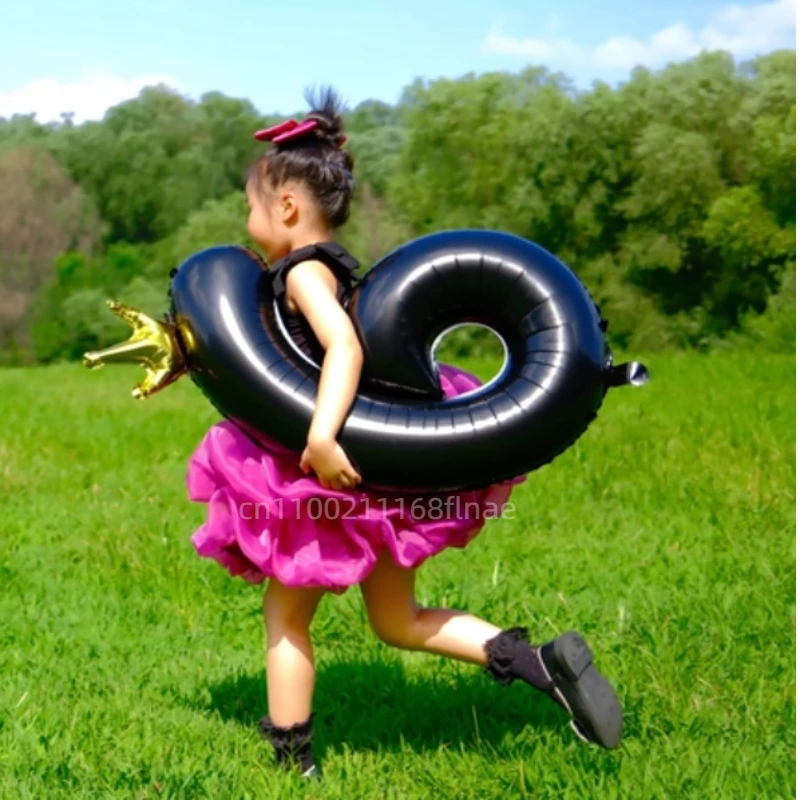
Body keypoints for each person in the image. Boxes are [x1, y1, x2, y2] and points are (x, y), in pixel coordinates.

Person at [186, 87, 623, 779]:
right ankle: (539, 665)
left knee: (286, 619)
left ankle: (292, 763)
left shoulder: (302, 274)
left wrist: (321, 437)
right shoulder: (341, 266)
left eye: (250, 205)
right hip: (386, 481)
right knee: (397, 621)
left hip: (329, 477)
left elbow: (344, 349)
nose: (247, 219)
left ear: (287, 207)